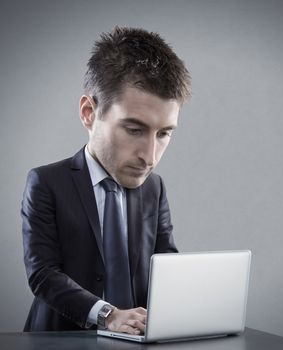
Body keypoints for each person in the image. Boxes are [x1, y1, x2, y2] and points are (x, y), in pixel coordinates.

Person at [21, 26, 191, 334]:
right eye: (134, 129)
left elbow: (164, 267)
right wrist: (108, 315)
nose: (150, 156)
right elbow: (43, 274)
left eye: (164, 133)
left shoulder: (155, 188)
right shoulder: (46, 182)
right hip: (60, 340)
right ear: (88, 112)